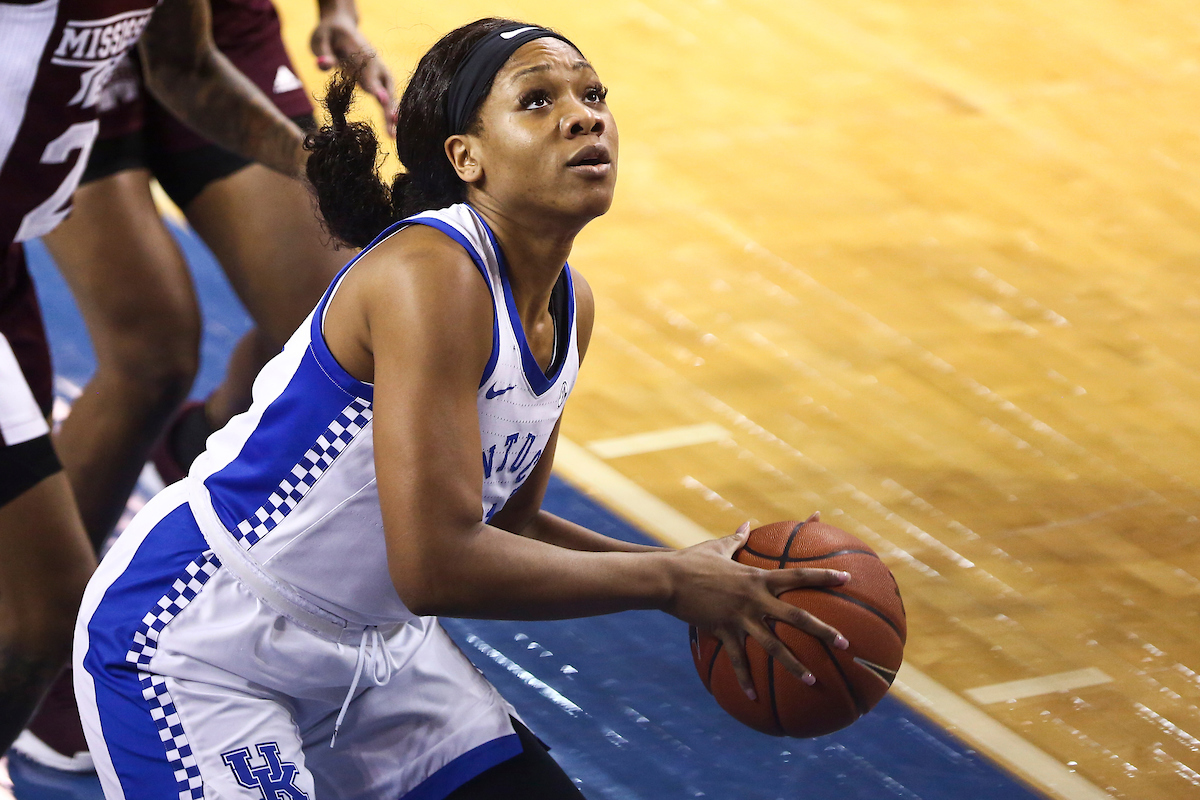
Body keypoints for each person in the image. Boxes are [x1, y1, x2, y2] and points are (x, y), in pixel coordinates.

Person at [74, 18, 852, 799]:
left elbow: (510, 527)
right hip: (202, 643)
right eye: (538, 101)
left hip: (379, 656)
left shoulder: (569, 304)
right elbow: (438, 566)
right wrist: (667, 585)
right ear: (465, 158)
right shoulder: (428, 273)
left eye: (592, 95)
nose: (583, 116)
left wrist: (690, 570)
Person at [11, 0, 392, 770]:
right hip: (68, 90)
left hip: (185, 47)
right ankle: (44, 659)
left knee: (334, 318)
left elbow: (185, 68)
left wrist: (327, 164)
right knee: (149, 356)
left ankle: (196, 442)